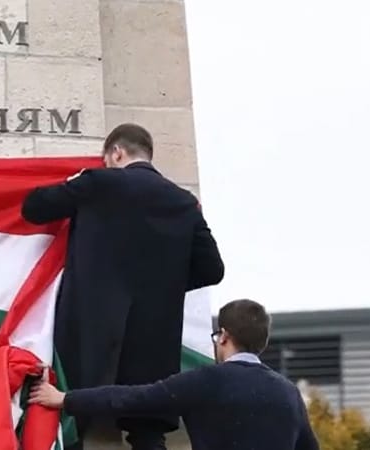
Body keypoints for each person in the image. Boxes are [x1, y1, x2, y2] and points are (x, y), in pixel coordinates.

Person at [20, 123, 225, 450]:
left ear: (116, 153)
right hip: (153, 342)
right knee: (148, 435)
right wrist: (166, 286)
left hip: (91, 333)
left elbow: (34, 208)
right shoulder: (183, 202)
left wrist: (74, 181)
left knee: (73, 421)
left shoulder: (99, 182)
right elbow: (213, 269)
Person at [29, 299, 320, 450]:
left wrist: (64, 398)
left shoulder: (206, 382)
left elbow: (131, 398)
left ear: (223, 336)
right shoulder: (289, 393)